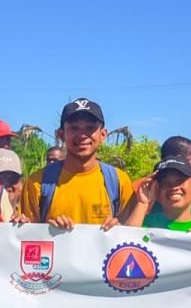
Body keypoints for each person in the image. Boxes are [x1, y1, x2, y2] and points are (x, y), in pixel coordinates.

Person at [19, 98, 133, 228]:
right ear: (61, 135)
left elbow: (131, 234)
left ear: (103, 135)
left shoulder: (119, 182)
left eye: (90, 128)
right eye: (74, 128)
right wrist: (48, 229)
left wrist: (118, 227)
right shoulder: (37, 183)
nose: (82, 135)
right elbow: (26, 235)